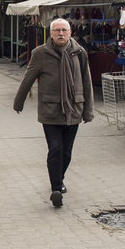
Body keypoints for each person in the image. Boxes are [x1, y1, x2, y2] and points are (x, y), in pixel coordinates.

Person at [13, 18, 93, 208]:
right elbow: (28, 78)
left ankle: (59, 177)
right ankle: (56, 188)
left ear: (70, 32)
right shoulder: (40, 53)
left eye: (64, 30)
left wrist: (88, 112)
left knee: (66, 152)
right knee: (55, 148)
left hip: (73, 110)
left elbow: (87, 81)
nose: (61, 33)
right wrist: (19, 102)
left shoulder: (79, 52)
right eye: (57, 30)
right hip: (50, 110)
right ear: (50, 33)